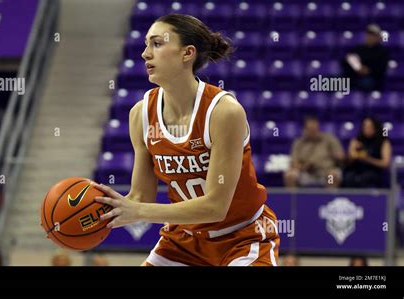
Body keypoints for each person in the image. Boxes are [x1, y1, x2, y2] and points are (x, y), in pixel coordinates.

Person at [94, 14, 279, 266]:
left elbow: (216, 207)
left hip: (242, 237)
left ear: (187, 53)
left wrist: (138, 211)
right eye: (146, 44)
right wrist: (94, 214)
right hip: (183, 241)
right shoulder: (140, 115)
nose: (145, 54)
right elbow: (141, 198)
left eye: (157, 44)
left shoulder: (223, 112)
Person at [284, 116, 345, 188]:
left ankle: (329, 198)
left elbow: (341, 156)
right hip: (305, 173)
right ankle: (293, 198)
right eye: (311, 129)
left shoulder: (329, 139)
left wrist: (337, 157)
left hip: (326, 172)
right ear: (305, 129)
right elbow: (294, 162)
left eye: (315, 129)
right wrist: (303, 167)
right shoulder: (299, 143)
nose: (314, 131)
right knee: (290, 176)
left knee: (331, 177)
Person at [343, 116, 392, 188]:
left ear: (376, 127)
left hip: (375, 171)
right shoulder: (356, 141)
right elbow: (348, 161)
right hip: (356, 170)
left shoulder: (384, 142)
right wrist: (354, 152)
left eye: (370, 126)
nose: (367, 129)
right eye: (365, 126)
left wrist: (367, 159)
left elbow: (385, 163)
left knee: (366, 178)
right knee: (347, 178)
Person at [341, 24, 389, 91]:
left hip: (371, 78)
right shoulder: (359, 48)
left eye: (373, 35)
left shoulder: (382, 52)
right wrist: (357, 68)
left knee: (365, 84)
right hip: (354, 76)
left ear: (378, 37)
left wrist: (367, 70)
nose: (370, 37)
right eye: (369, 34)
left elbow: (381, 69)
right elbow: (347, 60)